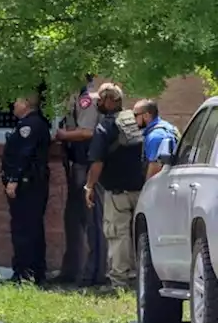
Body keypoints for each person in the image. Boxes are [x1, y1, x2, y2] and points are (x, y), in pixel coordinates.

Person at [84, 83, 146, 290]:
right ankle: (141, 280)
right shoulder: (135, 121)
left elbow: (97, 161)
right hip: (141, 189)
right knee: (139, 235)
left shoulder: (105, 127)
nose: (98, 104)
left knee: (117, 235)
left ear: (110, 101)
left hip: (117, 193)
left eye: (101, 100)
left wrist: (89, 186)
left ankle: (120, 283)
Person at [54, 76, 106, 286]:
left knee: (93, 221)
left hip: (88, 167)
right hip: (77, 166)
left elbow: (87, 131)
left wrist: (63, 135)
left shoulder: (88, 99)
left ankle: (95, 273)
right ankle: (72, 271)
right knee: (73, 220)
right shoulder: (75, 98)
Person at [0, 94, 52, 285]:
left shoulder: (29, 126)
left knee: (25, 228)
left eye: (18, 101)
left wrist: (14, 179)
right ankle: (34, 271)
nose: (14, 103)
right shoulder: (32, 123)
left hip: (27, 184)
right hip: (31, 183)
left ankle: (26, 272)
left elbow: (24, 154)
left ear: (27, 104)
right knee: (31, 227)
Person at [136, 99, 180, 180]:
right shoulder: (169, 127)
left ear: (146, 115)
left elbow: (154, 169)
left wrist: (146, 191)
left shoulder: (154, 137)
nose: (134, 119)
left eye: (136, 115)